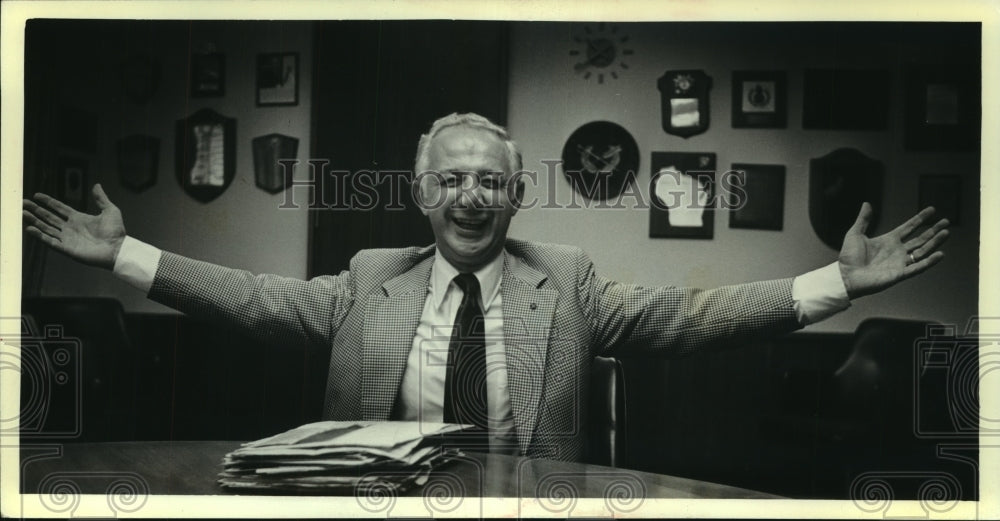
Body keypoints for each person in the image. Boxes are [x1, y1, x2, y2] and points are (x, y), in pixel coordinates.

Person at [22, 113, 950, 462]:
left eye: (493, 181)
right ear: (424, 193)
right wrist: (125, 255)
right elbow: (256, 298)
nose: (473, 196)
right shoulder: (367, 279)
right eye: (454, 179)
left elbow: (687, 316)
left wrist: (838, 282)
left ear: (516, 196)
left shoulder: (571, 281)